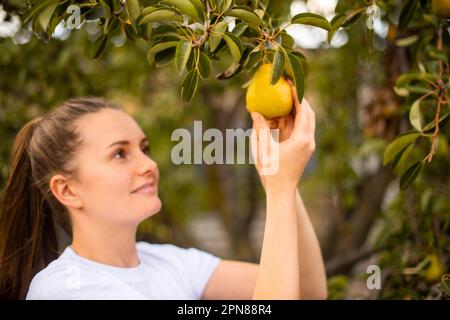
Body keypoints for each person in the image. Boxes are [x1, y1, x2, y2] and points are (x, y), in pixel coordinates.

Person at [0, 83, 327, 300]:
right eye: (120, 153)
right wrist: (280, 190)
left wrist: (281, 180)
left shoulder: (168, 262)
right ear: (67, 190)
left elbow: (308, 290)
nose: (148, 165)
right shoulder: (65, 290)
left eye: (144, 148)